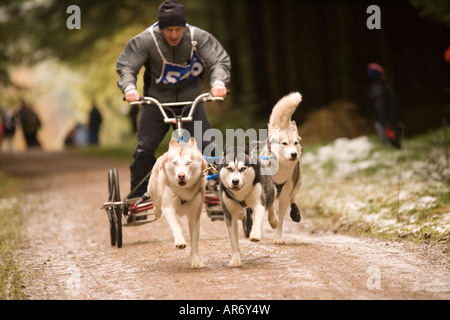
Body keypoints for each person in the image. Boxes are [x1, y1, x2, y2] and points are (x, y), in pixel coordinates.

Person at [116, 0, 231, 198]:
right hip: (157, 102)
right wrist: (129, 88)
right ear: (160, 28)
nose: (174, 35)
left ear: (185, 26)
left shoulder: (198, 38)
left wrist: (218, 83)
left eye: (178, 29)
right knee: (146, 147)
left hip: (191, 101)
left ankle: (215, 187)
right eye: (168, 30)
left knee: (207, 145)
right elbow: (127, 67)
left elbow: (219, 61)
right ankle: (138, 192)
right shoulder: (146, 40)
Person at [367, 63, 401, 149]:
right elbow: (380, 107)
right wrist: (386, 123)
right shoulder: (379, 89)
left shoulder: (379, 87)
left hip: (386, 121)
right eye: (382, 73)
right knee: (391, 146)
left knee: (393, 145)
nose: (384, 75)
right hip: (385, 122)